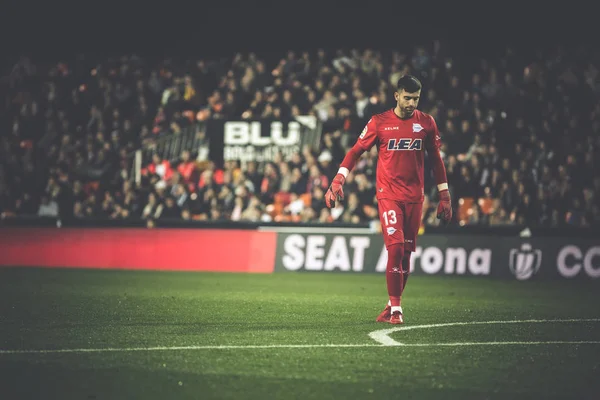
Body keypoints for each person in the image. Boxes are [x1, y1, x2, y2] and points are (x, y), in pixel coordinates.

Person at [324, 75, 452, 324]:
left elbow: (436, 160)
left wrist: (445, 195)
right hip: (388, 194)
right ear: (396, 95)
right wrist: (339, 179)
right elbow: (356, 151)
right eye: (407, 98)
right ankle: (397, 311)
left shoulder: (426, 123)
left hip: (415, 197)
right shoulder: (379, 123)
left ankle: (390, 304)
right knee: (395, 249)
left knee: (405, 255)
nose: (412, 103)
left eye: (416, 99)